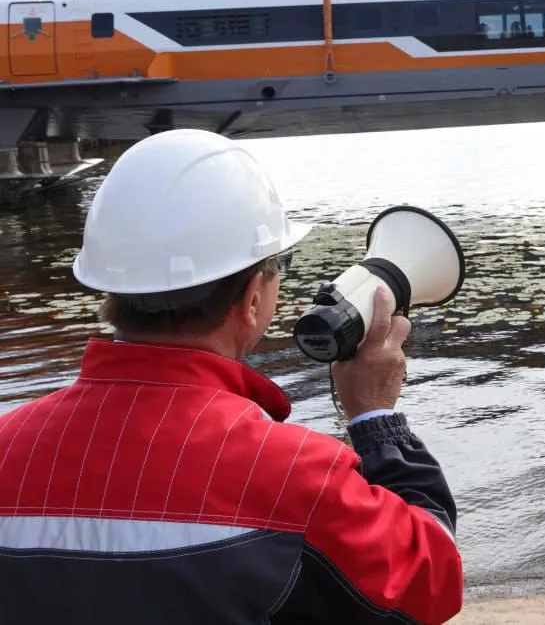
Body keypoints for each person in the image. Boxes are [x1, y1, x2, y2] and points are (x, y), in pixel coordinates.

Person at [0, 129, 463, 624]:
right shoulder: (297, 477)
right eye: (277, 266)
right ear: (252, 301)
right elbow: (430, 582)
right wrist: (376, 418)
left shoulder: (7, 447)